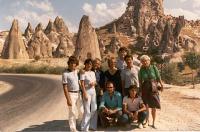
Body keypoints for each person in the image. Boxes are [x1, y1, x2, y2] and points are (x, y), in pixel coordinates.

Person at [138, 55, 164, 128]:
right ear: (141, 62)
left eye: (146, 60)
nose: (145, 62)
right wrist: (140, 89)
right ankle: (147, 121)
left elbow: (158, 77)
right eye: (143, 61)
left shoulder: (153, 67)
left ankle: (154, 122)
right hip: (145, 87)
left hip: (154, 87)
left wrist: (161, 85)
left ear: (149, 61)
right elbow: (140, 80)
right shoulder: (141, 69)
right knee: (146, 105)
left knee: (154, 106)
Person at [62, 56, 83, 132]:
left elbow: (82, 75)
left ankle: (80, 123)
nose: (72, 64)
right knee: (72, 112)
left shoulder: (77, 71)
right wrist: (68, 99)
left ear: (76, 64)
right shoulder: (65, 74)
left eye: (74, 63)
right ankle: (73, 129)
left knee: (82, 110)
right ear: (69, 63)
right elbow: (65, 87)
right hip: (71, 94)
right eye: (71, 63)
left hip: (79, 93)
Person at [80, 59, 97, 131]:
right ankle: (84, 128)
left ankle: (92, 125)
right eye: (88, 64)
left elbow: (95, 81)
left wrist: (94, 83)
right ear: (85, 64)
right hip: (87, 91)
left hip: (93, 91)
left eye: (90, 64)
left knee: (94, 108)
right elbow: (82, 84)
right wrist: (84, 93)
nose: (89, 65)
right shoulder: (83, 73)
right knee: (87, 110)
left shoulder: (93, 72)